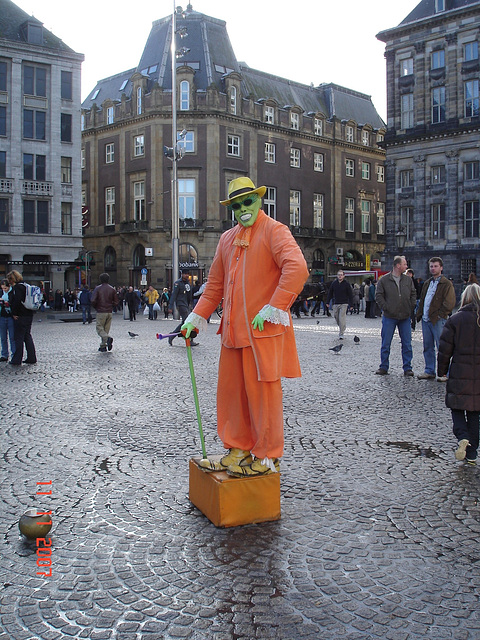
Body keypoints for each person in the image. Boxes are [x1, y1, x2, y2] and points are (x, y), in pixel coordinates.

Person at [182, 176, 309, 477]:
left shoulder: (275, 231)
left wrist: (274, 306)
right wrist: (195, 318)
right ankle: (237, 450)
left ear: (258, 200)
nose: (242, 208)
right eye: (236, 205)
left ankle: (266, 457)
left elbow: (297, 268)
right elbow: (214, 286)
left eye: (247, 201)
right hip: (232, 334)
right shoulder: (226, 239)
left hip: (262, 333)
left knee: (263, 397)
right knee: (232, 394)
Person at [437, 283, 480, 465]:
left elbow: (445, 350)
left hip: (459, 372)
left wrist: (441, 371)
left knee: (457, 407)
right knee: (475, 413)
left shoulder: (455, 320)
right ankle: (472, 454)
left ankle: (462, 436)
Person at [375, 256, 416, 376]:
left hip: (405, 316)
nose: (406, 266)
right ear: (398, 265)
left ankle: (407, 368)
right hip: (389, 316)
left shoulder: (408, 280)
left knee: (407, 344)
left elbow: (413, 293)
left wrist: (410, 306)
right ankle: (383, 366)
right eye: (405, 264)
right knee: (386, 343)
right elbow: (379, 296)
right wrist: (386, 307)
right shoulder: (384, 280)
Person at [416, 257, 456, 381]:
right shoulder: (427, 282)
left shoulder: (446, 283)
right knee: (427, 346)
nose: (433, 268)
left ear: (441, 267)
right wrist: (420, 313)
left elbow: (450, 302)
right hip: (426, 319)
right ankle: (429, 370)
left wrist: (440, 315)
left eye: (435, 266)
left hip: (438, 320)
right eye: (431, 266)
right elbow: (423, 300)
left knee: (442, 347)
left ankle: (445, 373)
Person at [6, 270, 37, 366]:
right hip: (29, 314)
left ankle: (17, 359)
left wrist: (14, 313)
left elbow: (17, 301)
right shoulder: (25, 286)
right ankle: (32, 357)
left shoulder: (17, 288)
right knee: (27, 336)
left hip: (21, 315)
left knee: (18, 337)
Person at [168, 270, 198, 346]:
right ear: (182, 274)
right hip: (181, 304)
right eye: (185, 274)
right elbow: (174, 295)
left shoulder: (188, 283)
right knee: (188, 322)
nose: (187, 275)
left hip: (186, 305)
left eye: (188, 274)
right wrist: (170, 306)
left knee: (185, 322)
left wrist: (190, 304)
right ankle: (189, 340)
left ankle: (172, 336)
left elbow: (189, 294)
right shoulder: (178, 283)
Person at [91, 273, 119, 352]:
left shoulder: (98, 288)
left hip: (101, 311)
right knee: (106, 329)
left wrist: (96, 306)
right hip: (109, 311)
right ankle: (103, 346)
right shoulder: (112, 289)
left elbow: (93, 300)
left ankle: (107, 339)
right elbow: (116, 302)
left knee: (99, 328)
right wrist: (111, 305)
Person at [327, 270, 353, 339]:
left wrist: (351, 304)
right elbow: (330, 293)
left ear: (344, 276)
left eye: (341, 275)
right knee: (336, 317)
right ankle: (342, 326)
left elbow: (350, 294)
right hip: (336, 303)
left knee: (341, 318)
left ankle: (341, 333)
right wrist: (327, 302)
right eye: (339, 275)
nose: (340, 276)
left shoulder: (346, 284)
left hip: (344, 303)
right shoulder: (334, 283)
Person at [0, 279, 15, 362]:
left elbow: (15, 303)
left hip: (10, 317)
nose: (4, 290)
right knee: (3, 337)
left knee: (12, 337)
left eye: (5, 288)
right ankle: (4, 354)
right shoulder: (1, 293)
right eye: (3, 288)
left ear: (9, 286)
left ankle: (14, 354)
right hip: (2, 316)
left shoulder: (13, 293)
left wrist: (8, 304)